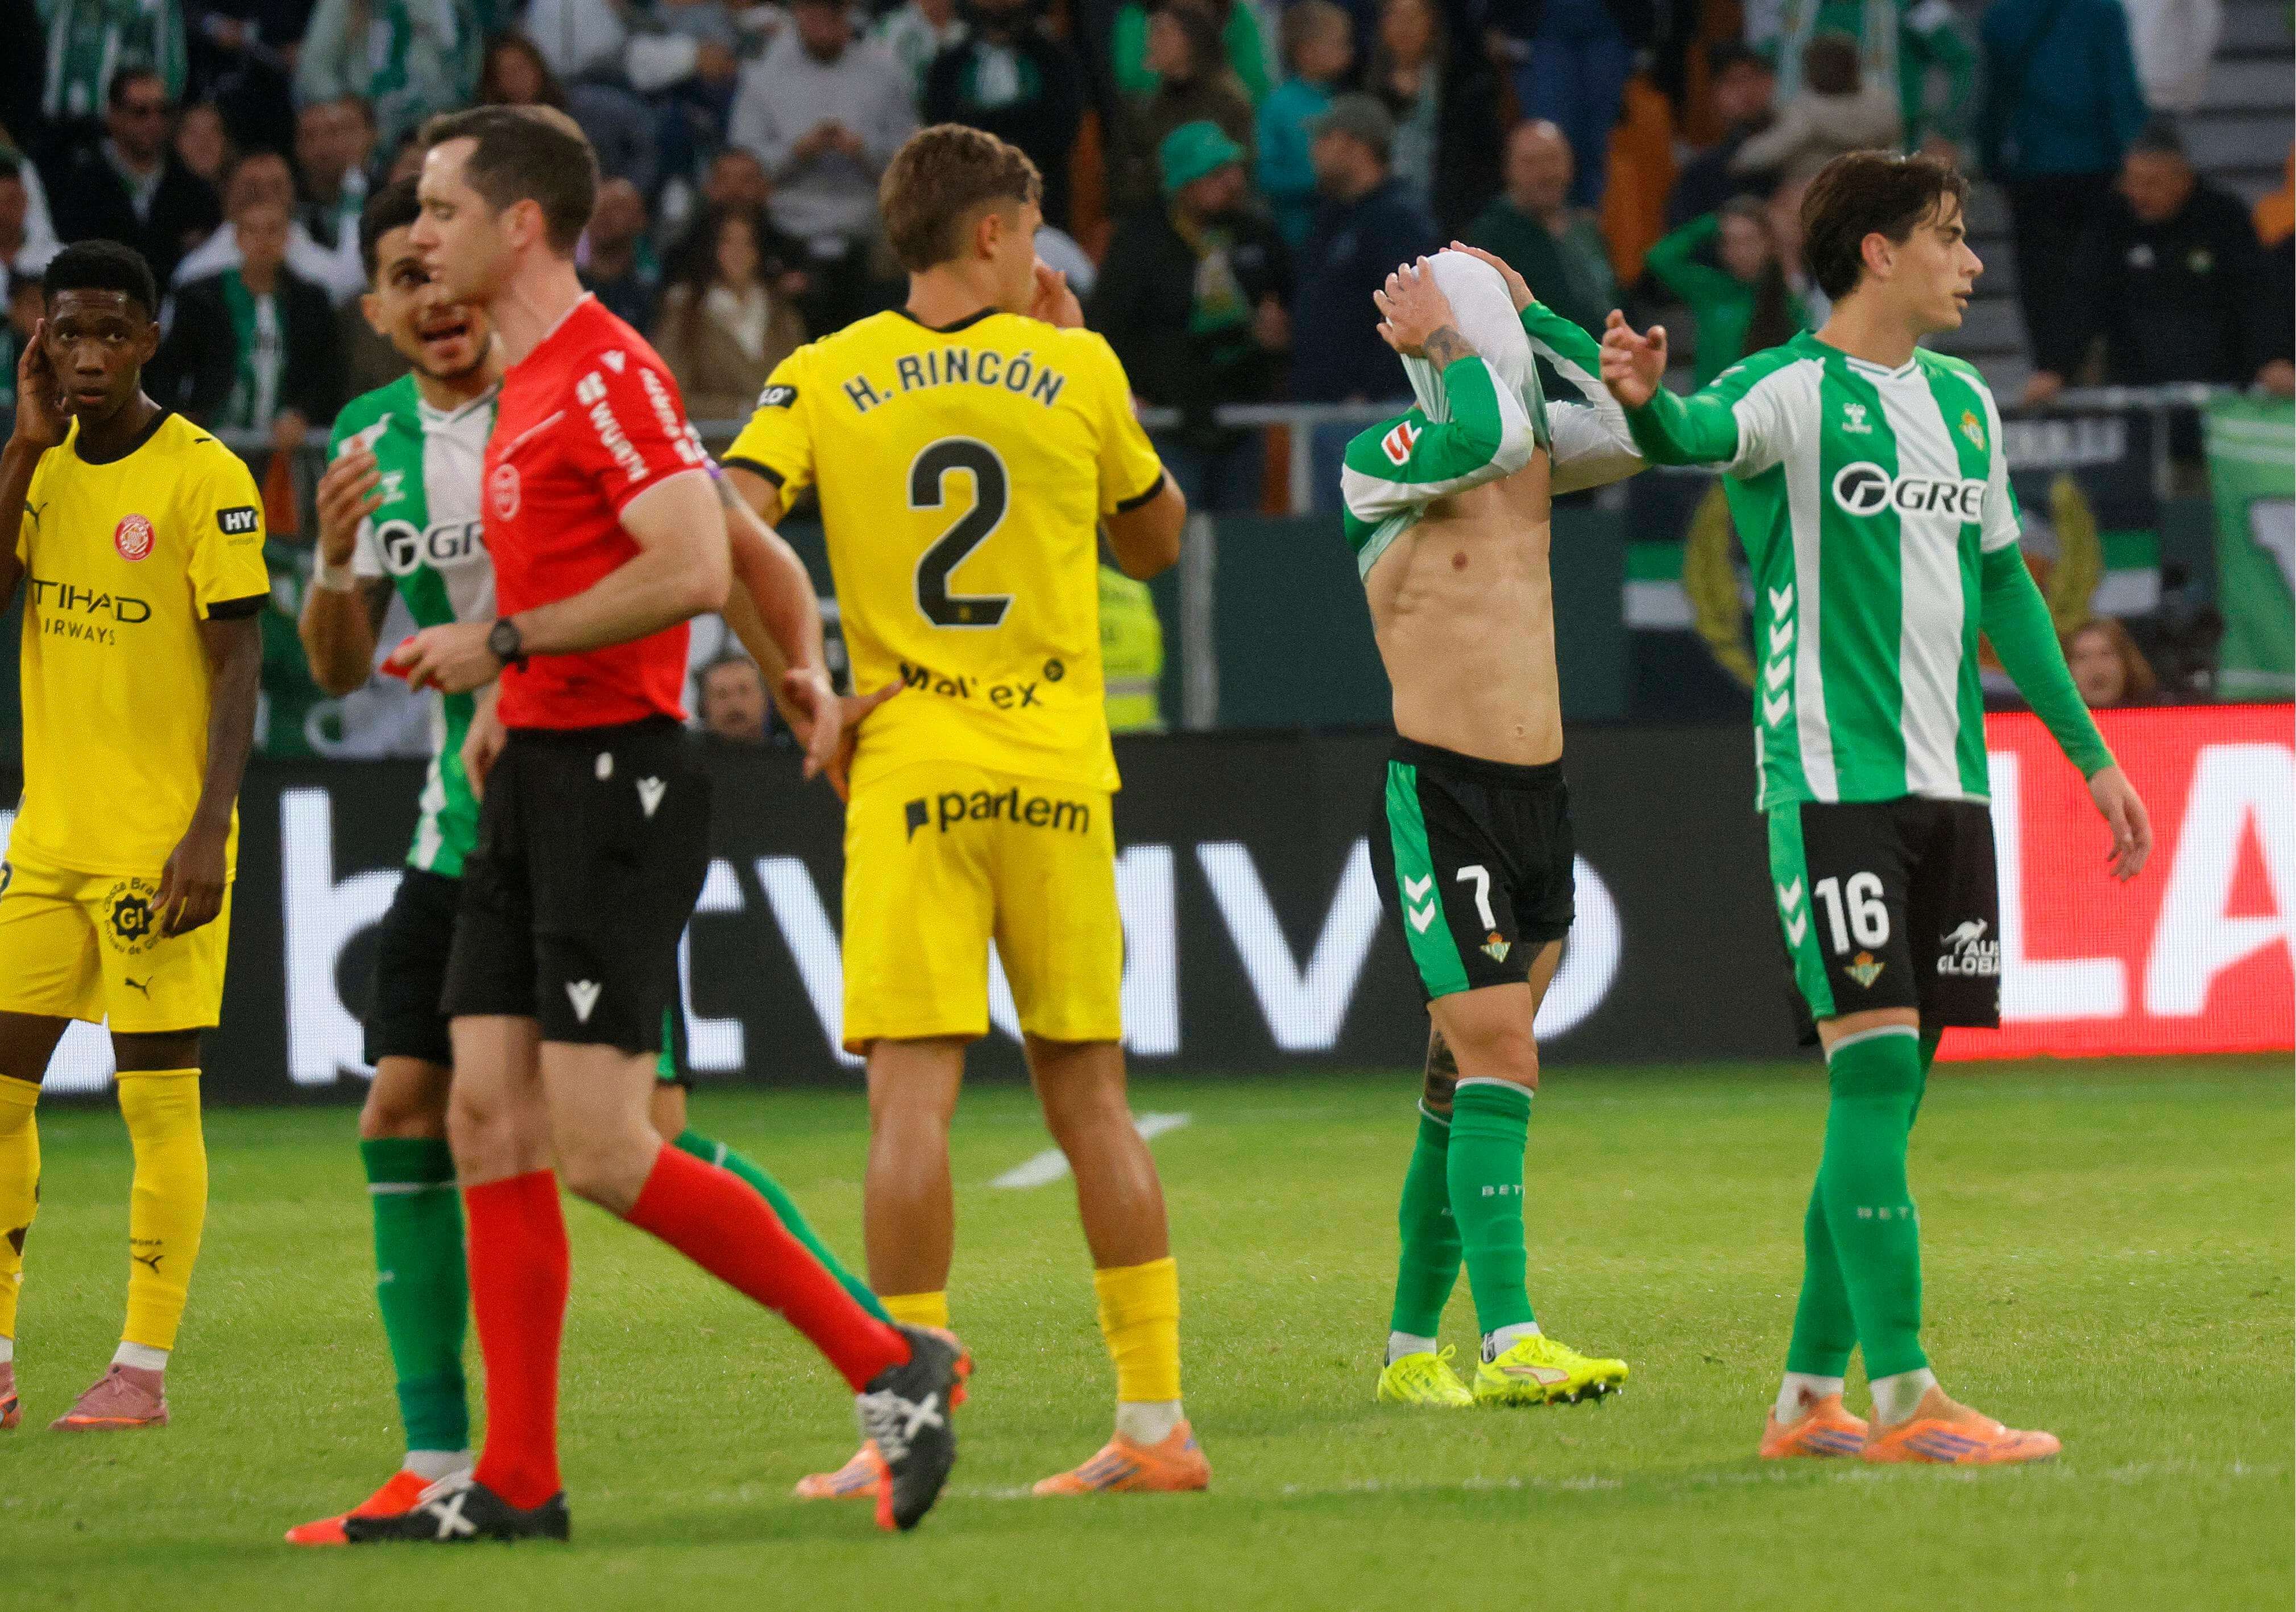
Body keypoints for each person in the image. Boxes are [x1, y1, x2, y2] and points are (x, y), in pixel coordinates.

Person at [345, 103, 961, 1544]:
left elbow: (695, 562)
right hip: (530, 778)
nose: (419, 239)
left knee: (607, 1149)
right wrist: (526, 689)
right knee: (489, 1120)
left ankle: (893, 1363)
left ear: (519, 225)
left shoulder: (602, 371)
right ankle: (515, 1482)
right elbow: (734, 565)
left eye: (438, 210)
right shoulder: (532, 379)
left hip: (614, 783)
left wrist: (504, 647)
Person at [1600, 150, 2154, 1463]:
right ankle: (1903, 1396)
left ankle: (1804, 1403)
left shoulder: (1963, 406)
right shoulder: (1789, 391)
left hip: (1946, 788)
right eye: (1949, 238)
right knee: (1875, 1072)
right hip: (1827, 782)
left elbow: (2008, 591)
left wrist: (2087, 755)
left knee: (1888, 1097)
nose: (1968, 264)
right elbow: (1691, 436)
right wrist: (1639, 401)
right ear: (1875, 253)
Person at [721, 123, 1203, 1498]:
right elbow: (1155, 541)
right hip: (1056, 771)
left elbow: (721, 522)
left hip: (913, 769)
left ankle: (904, 1429)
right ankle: (1156, 1426)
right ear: (991, 233)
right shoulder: (1073, 363)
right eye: (1035, 226)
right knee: (1093, 1106)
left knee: (907, 1112)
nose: (1044, 252)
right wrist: (1063, 354)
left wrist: (800, 679)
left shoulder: (825, 373)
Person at [1340, 248, 1644, 1410]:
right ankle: (1513, 1338)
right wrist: (1450, 339)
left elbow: (1637, 425)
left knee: (1455, 1082)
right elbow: (1484, 434)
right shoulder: (1385, 464)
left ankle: (1412, 1353)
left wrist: (1542, 312)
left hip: (1539, 801)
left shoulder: (1527, 460)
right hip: (1445, 798)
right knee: (1498, 1054)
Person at [0, 240, 267, 1434]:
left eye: (112, 333)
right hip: (48, 842)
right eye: (69, 334)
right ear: (40, 343)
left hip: (158, 846)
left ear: (151, 340)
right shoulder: (42, 468)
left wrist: (208, 825)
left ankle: (139, 1372)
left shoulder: (205, 477)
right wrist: (17, 442)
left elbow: (241, 658)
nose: (90, 355)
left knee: (156, 1105)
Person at [1089, 120, 1290, 512]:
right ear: (1185, 183)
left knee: (1238, 542)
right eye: (1216, 174)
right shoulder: (1139, 243)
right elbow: (1106, 325)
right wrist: (1125, 389)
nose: (1232, 182)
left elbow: (1293, 303)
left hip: (1241, 421)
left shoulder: (1257, 234)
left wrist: (1280, 338)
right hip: (1167, 422)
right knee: (1173, 537)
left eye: (1232, 171)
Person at [2024, 122, 2285, 406]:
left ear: (2184, 179)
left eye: (2152, 183)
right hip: (2138, 389)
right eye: (2132, 181)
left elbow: (2257, 295)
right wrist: (2055, 368)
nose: (2139, 193)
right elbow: (2083, 297)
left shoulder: (2224, 218)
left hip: (2223, 388)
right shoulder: (2113, 221)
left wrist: (2273, 358)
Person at [1977, 0, 2146, 401]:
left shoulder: (2004, 15)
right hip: (2100, 165)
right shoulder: (2102, 10)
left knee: (2043, 284)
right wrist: (2134, 155)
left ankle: (2053, 373)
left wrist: (1992, 161)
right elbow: (2119, 83)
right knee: (2105, 272)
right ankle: (2103, 371)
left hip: (2033, 168)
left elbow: (1993, 96)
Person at [729, 0, 916, 334]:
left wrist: (863, 150)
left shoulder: (885, 72)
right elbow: (741, 164)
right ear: (797, 12)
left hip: (868, 230)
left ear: (849, 13)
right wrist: (798, 152)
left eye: (834, 11)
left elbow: (913, 158)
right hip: (786, 231)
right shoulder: (764, 75)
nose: (823, 21)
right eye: (813, 10)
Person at [156, 188, 346, 433]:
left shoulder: (311, 302)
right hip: (215, 440)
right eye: (252, 231)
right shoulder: (201, 298)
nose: (262, 241)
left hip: (286, 448)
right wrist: (183, 415)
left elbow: (327, 376)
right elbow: (169, 370)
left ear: (288, 236)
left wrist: (302, 415)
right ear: (237, 238)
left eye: (272, 230)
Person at [1291, 93, 1439, 405]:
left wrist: (1371, 389)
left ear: (1357, 146)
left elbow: (1411, 312)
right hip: (1323, 403)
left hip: (1377, 407)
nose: (1314, 150)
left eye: (1325, 138)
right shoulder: (1329, 216)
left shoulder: (1399, 220)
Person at [42, 68, 221, 290]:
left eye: (163, 111)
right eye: (141, 112)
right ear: (113, 115)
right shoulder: (78, 184)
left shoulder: (193, 190)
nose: (154, 122)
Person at [919, 0, 1086, 230]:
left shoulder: (1055, 61)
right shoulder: (947, 67)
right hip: (968, 207)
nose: (998, 7)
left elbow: (1063, 130)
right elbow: (940, 133)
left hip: (1041, 204)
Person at [1462, 120, 1617, 341]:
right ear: (1508, 170)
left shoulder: (1585, 229)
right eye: (1530, 163)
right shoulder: (1490, 237)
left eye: (1552, 159)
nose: (1545, 173)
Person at [653, 202, 807, 420]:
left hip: (780, 445)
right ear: (712, 248)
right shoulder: (685, 314)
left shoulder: (783, 316)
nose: (738, 253)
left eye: (747, 243)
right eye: (728, 242)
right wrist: (741, 410)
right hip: (715, 446)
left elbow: (806, 387)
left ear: (759, 251)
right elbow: (669, 394)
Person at [1364, 0, 1501, 236]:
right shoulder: (1362, 89)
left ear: (1432, 22)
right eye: (1395, 16)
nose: (1404, 27)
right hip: (1380, 220)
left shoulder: (1465, 86)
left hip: (1447, 217)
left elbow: (1483, 161)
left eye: (1414, 17)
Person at [1643, 196, 1806, 387]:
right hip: (1711, 407)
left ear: (1769, 244)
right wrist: (1714, 222)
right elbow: (1659, 258)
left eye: (1749, 240)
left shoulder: (1788, 300)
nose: (1741, 252)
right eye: (1731, 242)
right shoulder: (1711, 289)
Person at [1113, 0, 1256, 216]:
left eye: (1162, 34)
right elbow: (1126, 176)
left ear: (1190, 40)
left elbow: (1243, 172)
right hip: (1159, 221)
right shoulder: (1147, 107)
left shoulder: (1228, 102)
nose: (1150, 43)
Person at [293, 0, 480, 150]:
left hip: (438, 122)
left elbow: (468, 69)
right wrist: (348, 106)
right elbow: (314, 70)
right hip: (368, 122)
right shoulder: (344, 4)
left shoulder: (455, 6)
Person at [1729, 32, 1899, 190]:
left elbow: (1755, 158)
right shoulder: (1882, 101)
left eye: (1836, 64)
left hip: (1818, 191)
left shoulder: (1807, 112)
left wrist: (1736, 160)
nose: (1830, 71)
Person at [1256, 0, 1353, 250]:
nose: (1348, 51)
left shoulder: (1346, 101)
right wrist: (1319, 181)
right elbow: (1265, 175)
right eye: (1337, 43)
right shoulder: (1278, 105)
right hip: (1294, 235)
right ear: (1306, 51)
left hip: (1344, 231)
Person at [1666, 43, 1777, 228]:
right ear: (1712, 94)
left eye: (1752, 78)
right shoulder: (1701, 174)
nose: (1745, 90)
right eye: (1732, 82)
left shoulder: (1799, 147)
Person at [578, 176, 662, 333]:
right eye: (600, 207)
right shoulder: (566, 277)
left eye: (617, 209)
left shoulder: (646, 287)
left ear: (640, 221)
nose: (605, 216)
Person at [2065, 616, 2157, 708]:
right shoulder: (2053, 721)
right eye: (2082, 657)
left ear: (2126, 663)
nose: (2095, 667)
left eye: (2106, 654)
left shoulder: (2159, 714)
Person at [697, 650, 769, 741]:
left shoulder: (788, 750)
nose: (734, 703)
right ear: (704, 706)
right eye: (722, 695)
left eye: (744, 691)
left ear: (764, 698)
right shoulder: (685, 753)